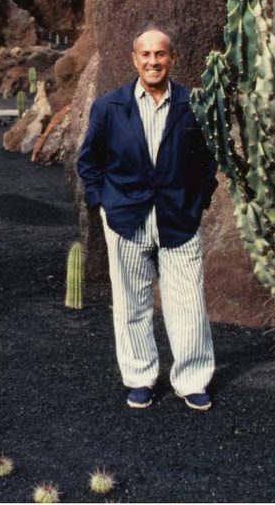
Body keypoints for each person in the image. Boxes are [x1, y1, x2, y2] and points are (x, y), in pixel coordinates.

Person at [76, 28, 218, 411]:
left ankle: (192, 380)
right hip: (127, 218)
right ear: (134, 59)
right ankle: (139, 377)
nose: (153, 61)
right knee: (130, 303)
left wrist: (198, 202)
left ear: (172, 58)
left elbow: (208, 160)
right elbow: (89, 162)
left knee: (188, 303)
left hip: (178, 218)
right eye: (146, 54)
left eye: (160, 54)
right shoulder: (109, 107)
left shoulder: (193, 104)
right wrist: (103, 204)